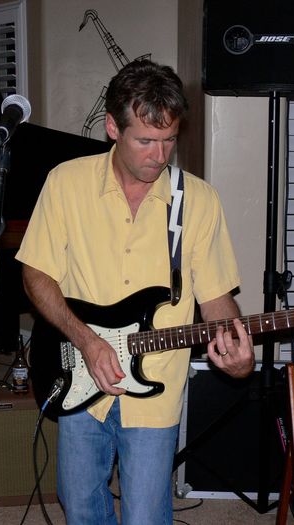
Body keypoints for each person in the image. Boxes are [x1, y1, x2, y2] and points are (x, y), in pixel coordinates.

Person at [15, 59, 255, 524]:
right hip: (78, 370)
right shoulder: (66, 184)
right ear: (112, 127)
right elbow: (36, 275)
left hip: (156, 387)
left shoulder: (199, 201)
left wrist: (238, 352)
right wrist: (86, 340)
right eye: (145, 140)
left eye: (169, 141)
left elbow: (217, 300)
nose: (159, 155)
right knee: (81, 506)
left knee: (145, 516)